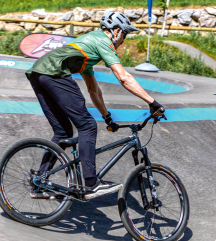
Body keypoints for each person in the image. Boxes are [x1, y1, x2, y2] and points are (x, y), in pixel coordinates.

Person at [25, 11, 165, 199]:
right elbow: (124, 77)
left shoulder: (89, 46)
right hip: (54, 73)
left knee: (63, 131)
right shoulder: (102, 41)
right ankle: (91, 183)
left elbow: (94, 90)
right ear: (116, 30)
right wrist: (152, 102)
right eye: (124, 34)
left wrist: (107, 116)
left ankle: (39, 182)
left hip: (39, 73)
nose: (123, 40)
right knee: (87, 125)